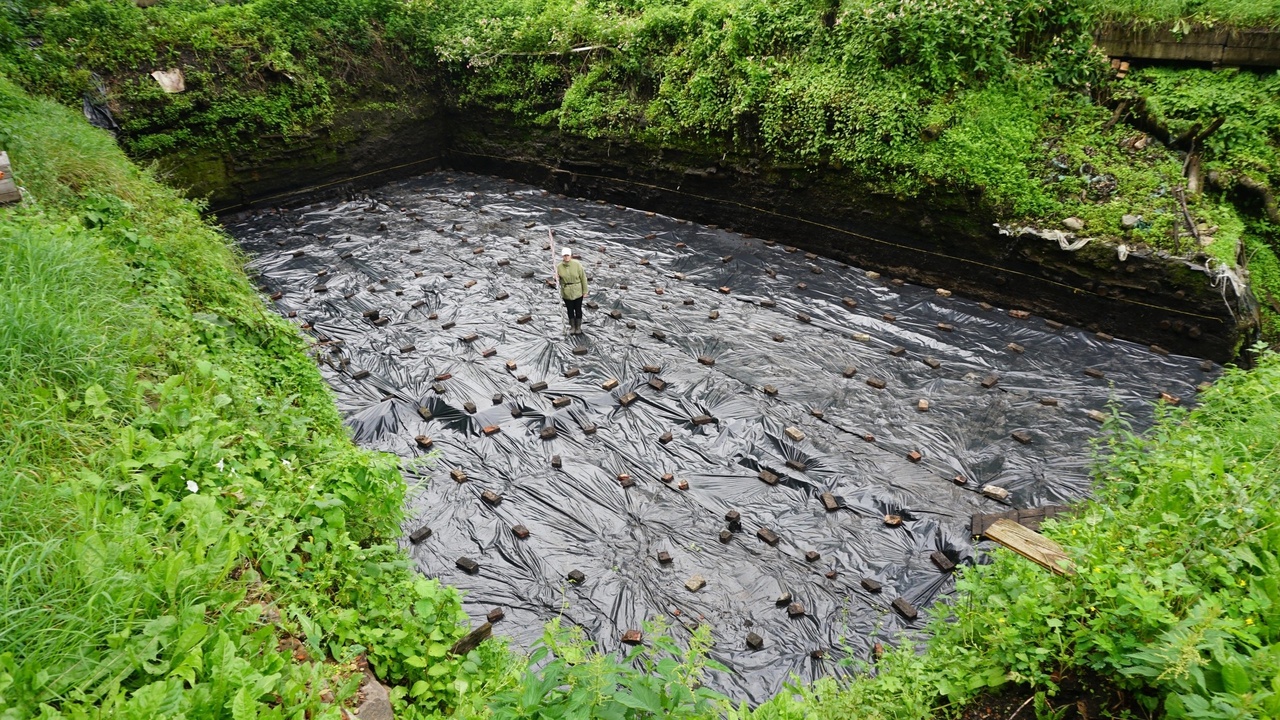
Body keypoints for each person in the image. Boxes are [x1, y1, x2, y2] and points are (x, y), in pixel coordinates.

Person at [556, 246, 588, 334]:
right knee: (570, 310)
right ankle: (572, 326)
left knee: (578, 309)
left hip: (577, 291)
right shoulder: (559, 266)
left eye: (568, 255)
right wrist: (556, 278)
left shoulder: (577, 264)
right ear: (562, 256)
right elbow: (558, 279)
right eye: (564, 255)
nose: (566, 257)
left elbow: (583, 278)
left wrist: (585, 291)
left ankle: (578, 327)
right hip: (566, 292)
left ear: (571, 256)